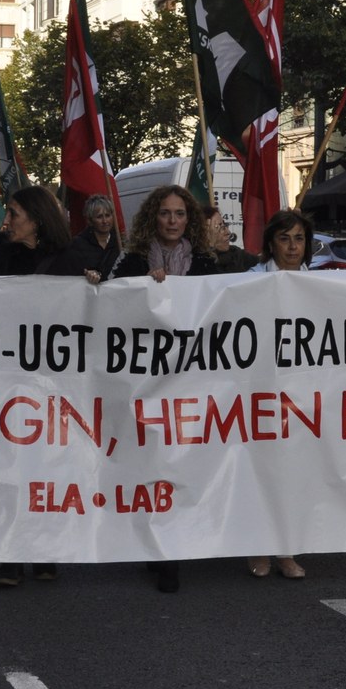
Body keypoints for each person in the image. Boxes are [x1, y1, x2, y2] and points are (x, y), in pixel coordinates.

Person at [106, 184, 217, 593]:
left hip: (190, 379)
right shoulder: (133, 260)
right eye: (166, 214)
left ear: (190, 220)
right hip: (145, 380)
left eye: (180, 214)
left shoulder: (206, 262)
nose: (173, 221)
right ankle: (155, 544)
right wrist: (143, 288)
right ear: (154, 217)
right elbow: (110, 304)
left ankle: (171, 548)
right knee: (150, 462)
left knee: (181, 463)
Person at [0, 186, 78, 588]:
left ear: (36, 218)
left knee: (48, 466)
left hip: (54, 381)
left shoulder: (68, 261)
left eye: (13, 213)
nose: (6, 221)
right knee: (12, 466)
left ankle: (46, 546)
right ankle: (12, 555)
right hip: (8, 376)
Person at [244, 209, 315, 580]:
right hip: (260, 390)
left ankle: (286, 550)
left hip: (301, 394)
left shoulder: (319, 284)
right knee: (262, 469)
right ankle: (257, 545)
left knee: (293, 472)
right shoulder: (251, 281)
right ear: (271, 242)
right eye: (285, 238)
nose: (292, 246)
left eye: (299, 238)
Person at [62, 193, 121, 282]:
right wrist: (87, 274)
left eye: (108, 215)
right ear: (90, 220)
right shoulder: (77, 245)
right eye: (99, 217)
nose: (105, 221)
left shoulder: (120, 242)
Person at [206, 206, 259, 274]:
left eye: (224, 226)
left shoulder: (237, 255)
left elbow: (264, 263)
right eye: (218, 227)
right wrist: (211, 245)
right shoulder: (194, 261)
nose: (228, 233)